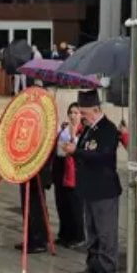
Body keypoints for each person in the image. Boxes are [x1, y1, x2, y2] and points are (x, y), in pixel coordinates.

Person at [62, 90, 120, 273]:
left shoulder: (108, 129)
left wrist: (76, 152)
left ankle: (107, 271)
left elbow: (101, 155)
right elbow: (84, 151)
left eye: (84, 113)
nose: (82, 117)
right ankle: (93, 267)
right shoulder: (88, 129)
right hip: (88, 188)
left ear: (95, 110)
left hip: (104, 189)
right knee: (92, 231)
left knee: (105, 233)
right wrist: (75, 150)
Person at [52, 102, 85, 249]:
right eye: (71, 112)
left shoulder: (83, 131)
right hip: (61, 168)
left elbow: (77, 150)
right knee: (62, 203)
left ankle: (78, 235)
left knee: (75, 205)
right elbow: (59, 150)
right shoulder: (63, 129)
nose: (73, 115)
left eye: (76, 112)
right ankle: (64, 233)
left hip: (74, 171)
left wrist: (73, 137)